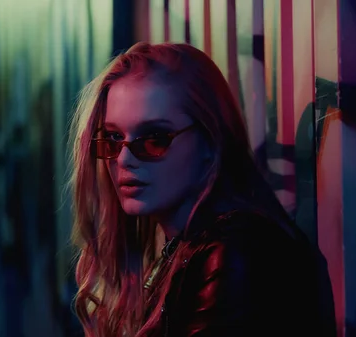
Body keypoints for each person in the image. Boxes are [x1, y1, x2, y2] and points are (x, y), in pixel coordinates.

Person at [68, 42, 336, 337]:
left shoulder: (235, 253)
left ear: (210, 142)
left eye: (155, 138)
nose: (123, 158)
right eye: (114, 138)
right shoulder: (190, 244)